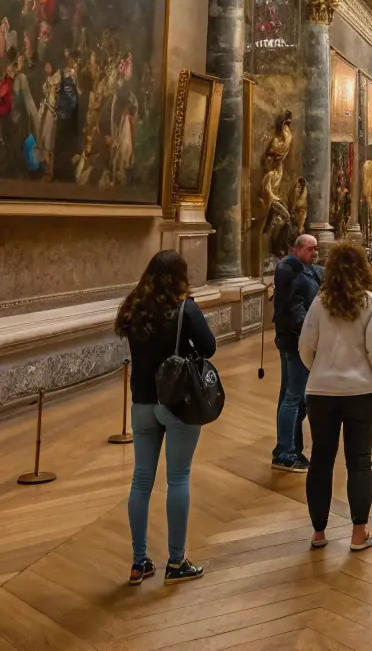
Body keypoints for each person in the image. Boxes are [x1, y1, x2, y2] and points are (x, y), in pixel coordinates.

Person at [115, 250, 215, 586]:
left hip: (142, 402)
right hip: (176, 402)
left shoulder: (133, 308)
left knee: (141, 481)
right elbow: (209, 346)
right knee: (179, 478)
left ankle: (139, 561)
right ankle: (176, 561)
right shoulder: (184, 307)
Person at [299, 242, 372, 553]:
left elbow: (306, 346)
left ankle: (319, 532)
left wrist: (320, 371)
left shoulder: (319, 302)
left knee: (320, 460)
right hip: (361, 393)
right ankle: (358, 533)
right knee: (359, 462)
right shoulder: (369, 303)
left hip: (321, 394)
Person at [271, 233, 320, 472]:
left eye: (316, 249)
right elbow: (293, 307)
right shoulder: (289, 270)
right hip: (295, 341)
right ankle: (285, 452)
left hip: (297, 339)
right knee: (294, 397)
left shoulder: (304, 269)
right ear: (297, 249)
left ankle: (290, 446)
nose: (315, 253)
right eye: (310, 249)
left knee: (293, 395)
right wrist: (309, 330)